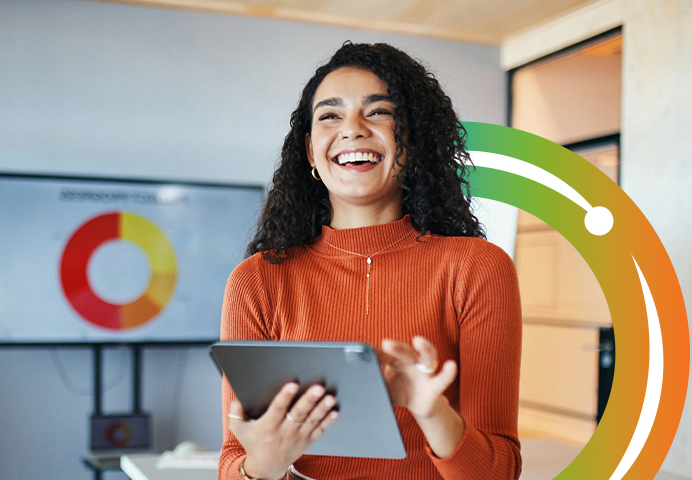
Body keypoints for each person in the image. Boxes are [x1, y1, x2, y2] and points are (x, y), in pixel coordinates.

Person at [219, 42, 521, 480]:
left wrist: (431, 411)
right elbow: (233, 459)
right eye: (330, 115)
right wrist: (267, 459)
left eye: (378, 112)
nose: (353, 129)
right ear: (310, 152)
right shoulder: (258, 281)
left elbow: (499, 472)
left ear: (411, 142)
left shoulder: (476, 268)